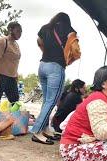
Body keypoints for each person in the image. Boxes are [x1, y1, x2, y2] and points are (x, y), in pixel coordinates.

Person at [31, 12, 77, 145]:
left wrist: (46, 51)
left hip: (42, 65)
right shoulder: (69, 30)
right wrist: (68, 59)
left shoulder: (45, 27)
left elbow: (39, 41)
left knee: (46, 101)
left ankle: (45, 128)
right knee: (51, 101)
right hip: (56, 67)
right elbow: (75, 49)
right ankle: (37, 131)